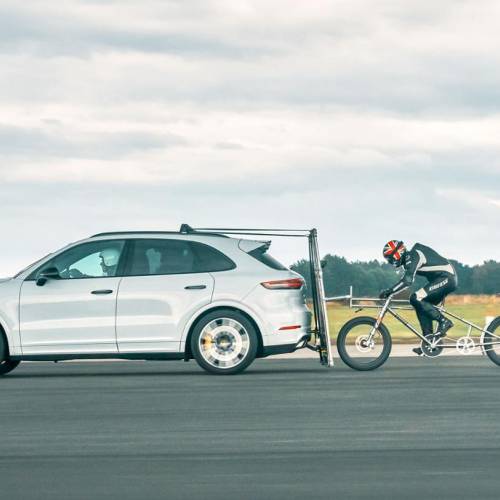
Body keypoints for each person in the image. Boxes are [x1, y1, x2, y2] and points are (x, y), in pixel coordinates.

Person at [379, 240, 457, 356]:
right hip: (443, 279)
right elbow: (407, 279)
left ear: (397, 253)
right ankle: (429, 342)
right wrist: (391, 291)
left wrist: (390, 291)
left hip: (446, 278)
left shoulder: (414, 255)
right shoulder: (409, 259)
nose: (390, 262)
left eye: (390, 258)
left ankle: (444, 322)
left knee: (415, 298)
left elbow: (407, 281)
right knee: (420, 305)